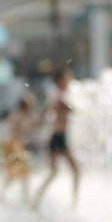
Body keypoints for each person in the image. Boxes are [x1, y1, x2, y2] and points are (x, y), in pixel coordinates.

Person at [32, 68, 81, 210]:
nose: (69, 83)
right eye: (67, 80)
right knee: (72, 170)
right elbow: (71, 110)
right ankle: (74, 202)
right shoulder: (59, 97)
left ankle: (37, 199)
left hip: (58, 137)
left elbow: (45, 113)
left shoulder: (58, 96)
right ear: (60, 82)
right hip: (58, 137)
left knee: (56, 172)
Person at [0, 94, 40, 204]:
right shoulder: (18, 116)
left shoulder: (19, 116)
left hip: (15, 147)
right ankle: (24, 197)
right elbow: (19, 131)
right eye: (30, 106)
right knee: (22, 172)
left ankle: (4, 194)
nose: (31, 108)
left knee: (16, 173)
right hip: (14, 147)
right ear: (25, 106)